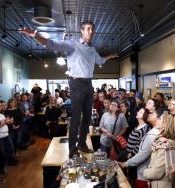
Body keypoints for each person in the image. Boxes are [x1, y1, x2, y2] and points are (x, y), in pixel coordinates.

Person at [20, 21, 118, 158]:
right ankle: (72, 150)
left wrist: (110, 56)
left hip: (89, 84)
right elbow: (51, 44)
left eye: (92, 30)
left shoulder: (92, 49)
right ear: (81, 30)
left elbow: (100, 61)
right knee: (76, 118)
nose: (91, 32)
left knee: (87, 118)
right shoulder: (72, 44)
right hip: (76, 83)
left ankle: (82, 144)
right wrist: (35, 35)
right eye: (88, 29)